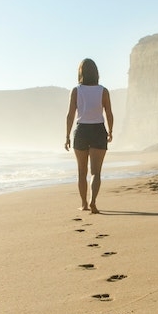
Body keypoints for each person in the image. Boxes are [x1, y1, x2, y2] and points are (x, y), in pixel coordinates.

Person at [65, 58, 113, 214]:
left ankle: (84, 203)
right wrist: (110, 131)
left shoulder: (76, 90)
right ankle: (93, 201)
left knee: (81, 172)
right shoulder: (103, 91)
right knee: (96, 172)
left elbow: (70, 115)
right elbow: (109, 113)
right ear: (96, 73)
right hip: (98, 130)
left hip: (81, 131)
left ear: (81, 72)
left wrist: (67, 136)